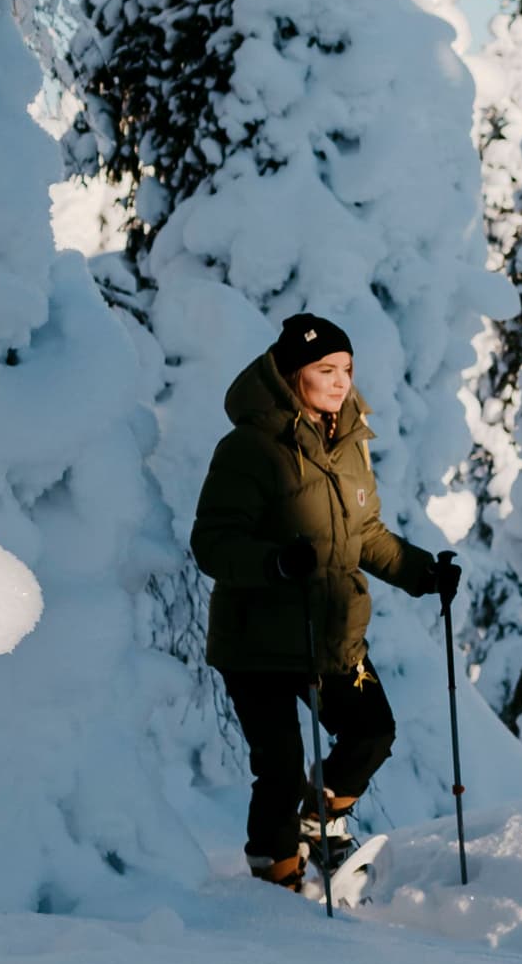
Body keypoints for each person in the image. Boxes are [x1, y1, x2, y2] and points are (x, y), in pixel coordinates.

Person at [189, 312, 461, 887]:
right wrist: (275, 562)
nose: (341, 381)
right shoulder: (249, 448)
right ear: (292, 375)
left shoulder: (350, 444)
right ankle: (277, 881)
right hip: (256, 641)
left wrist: (423, 573)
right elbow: (212, 544)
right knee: (280, 770)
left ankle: (318, 825)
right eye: (325, 369)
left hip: (332, 636)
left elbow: (365, 535)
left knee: (371, 731)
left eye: (347, 369)